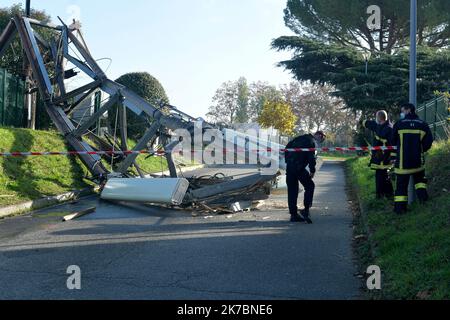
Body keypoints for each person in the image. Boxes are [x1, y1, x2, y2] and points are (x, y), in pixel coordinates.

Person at [392, 103, 434, 214]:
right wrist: (420, 150)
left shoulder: (399, 124)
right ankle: (424, 204)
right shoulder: (423, 124)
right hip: (417, 162)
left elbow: (392, 140)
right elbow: (429, 142)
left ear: (408, 110)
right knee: (420, 183)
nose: (402, 113)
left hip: (402, 163)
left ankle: (400, 210)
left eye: (403, 111)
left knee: (401, 188)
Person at [285, 131, 326, 223]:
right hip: (299, 168)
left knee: (292, 191)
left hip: (290, 167)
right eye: (321, 139)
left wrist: (288, 162)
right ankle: (306, 210)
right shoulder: (311, 142)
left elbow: (287, 148)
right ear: (319, 135)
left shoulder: (298, 138)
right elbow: (311, 157)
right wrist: (312, 170)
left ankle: (293, 215)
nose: (320, 141)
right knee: (310, 186)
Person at [363, 110, 394, 199]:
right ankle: (388, 194)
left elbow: (392, 145)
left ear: (379, 118)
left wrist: (392, 157)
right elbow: (370, 124)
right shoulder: (380, 126)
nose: (375, 119)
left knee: (381, 176)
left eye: (376, 117)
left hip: (384, 157)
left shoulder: (389, 129)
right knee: (383, 175)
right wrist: (363, 122)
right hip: (379, 156)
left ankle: (380, 196)